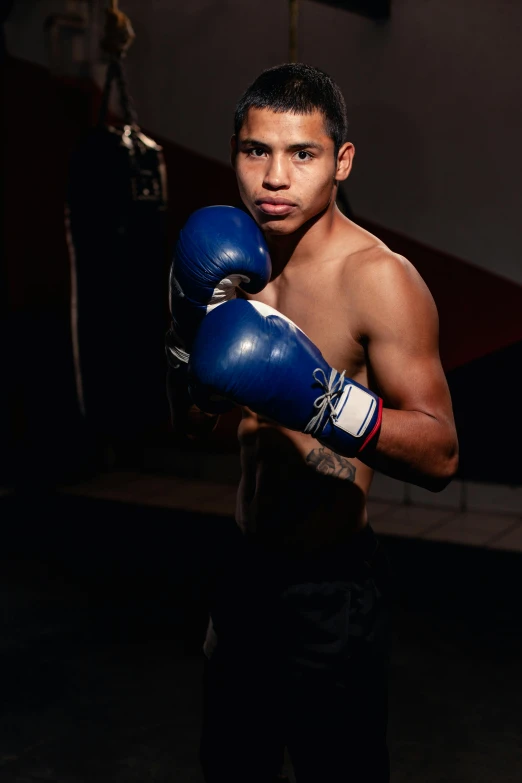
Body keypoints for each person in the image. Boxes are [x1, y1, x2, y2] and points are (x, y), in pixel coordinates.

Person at [166, 63, 458, 783]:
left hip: (331, 591)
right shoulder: (231, 267)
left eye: (303, 153)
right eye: (254, 150)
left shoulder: (378, 279)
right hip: (243, 570)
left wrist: (327, 403)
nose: (274, 176)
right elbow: (195, 428)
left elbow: (441, 452)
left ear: (342, 160)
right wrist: (187, 358)